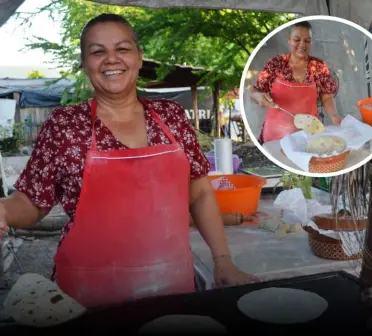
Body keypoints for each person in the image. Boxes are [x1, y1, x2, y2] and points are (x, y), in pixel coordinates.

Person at [0, 13, 258, 308]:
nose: (111, 59)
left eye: (122, 49)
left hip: (171, 284)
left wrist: (222, 259)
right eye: (98, 52)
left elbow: (199, 192)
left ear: (138, 56)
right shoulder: (65, 125)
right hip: (87, 294)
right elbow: (32, 202)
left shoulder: (171, 117)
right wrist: (4, 211)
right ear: (85, 64)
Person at [250, 21, 343, 144]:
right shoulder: (276, 64)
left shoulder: (318, 66)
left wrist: (334, 115)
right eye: (297, 39)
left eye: (307, 41)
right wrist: (258, 97)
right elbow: (254, 91)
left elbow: (326, 97)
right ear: (289, 40)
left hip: (308, 134)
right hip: (276, 135)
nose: (302, 44)